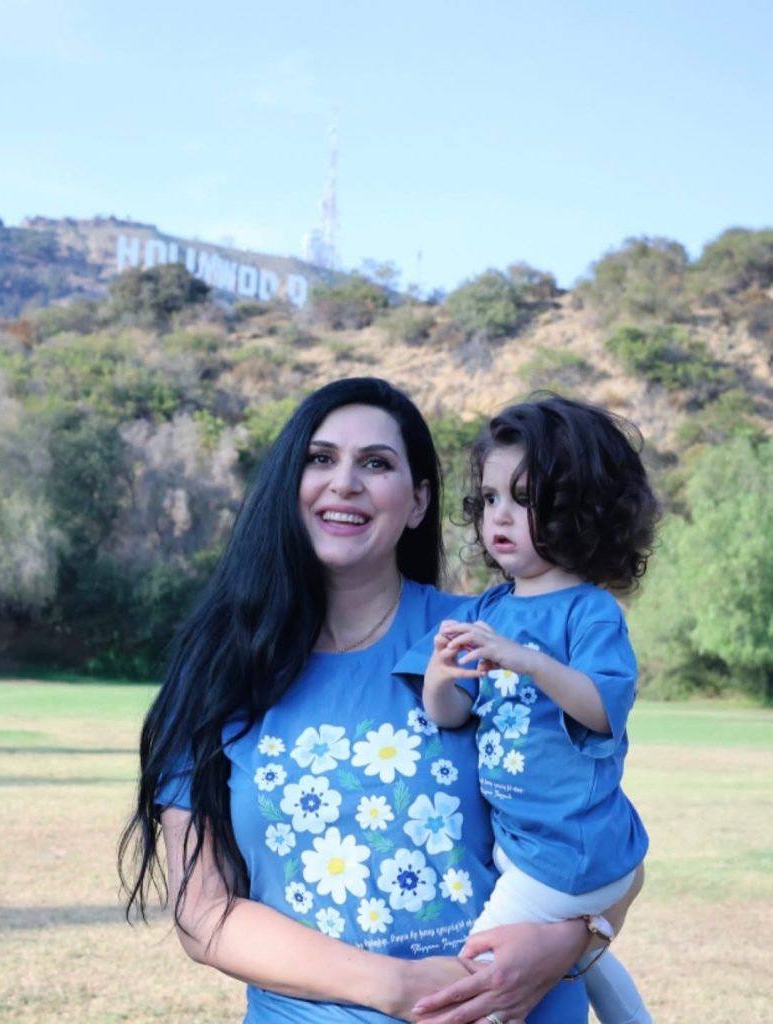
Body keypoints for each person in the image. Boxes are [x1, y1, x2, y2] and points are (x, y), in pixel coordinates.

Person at [119, 378, 639, 1024]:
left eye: (375, 463)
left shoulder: (489, 637)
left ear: (418, 501)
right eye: (320, 458)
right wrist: (399, 987)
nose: (344, 483)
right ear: (289, 484)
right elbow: (203, 914)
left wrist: (567, 942)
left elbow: (601, 841)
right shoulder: (216, 673)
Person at [407, 395, 657, 1024]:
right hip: (524, 844)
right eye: (491, 498)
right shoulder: (489, 609)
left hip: (567, 851)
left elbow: (603, 709)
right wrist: (439, 678)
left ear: (580, 510)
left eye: (525, 499)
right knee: (584, 958)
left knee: (482, 986)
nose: (500, 515)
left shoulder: (589, 611)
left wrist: (529, 661)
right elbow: (450, 713)